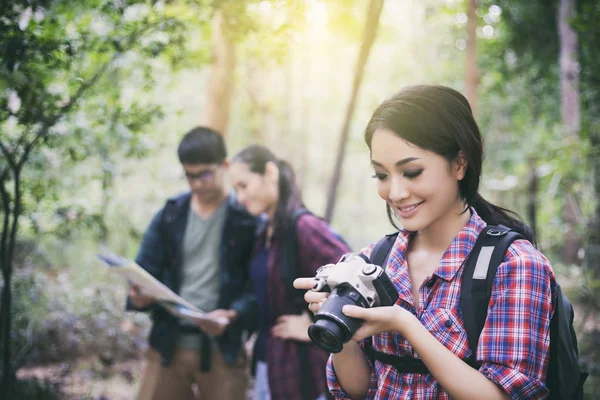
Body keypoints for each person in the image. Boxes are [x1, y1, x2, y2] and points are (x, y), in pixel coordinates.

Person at [295, 85, 557, 400]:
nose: (395, 192)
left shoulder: (515, 265)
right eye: (381, 175)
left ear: (460, 164)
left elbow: (504, 396)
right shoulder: (372, 261)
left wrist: (406, 325)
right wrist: (340, 328)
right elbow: (357, 390)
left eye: (412, 172)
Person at [128, 126, 258, 400]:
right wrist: (138, 296)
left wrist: (233, 315)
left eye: (205, 174)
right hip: (168, 345)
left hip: (224, 348)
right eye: (190, 175)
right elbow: (144, 268)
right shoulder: (171, 214)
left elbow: (260, 283)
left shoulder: (246, 219)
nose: (197, 183)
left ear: (225, 166)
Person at [228, 145, 351, 400]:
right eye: (235, 190)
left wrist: (314, 324)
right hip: (268, 362)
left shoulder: (304, 227)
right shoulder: (266, 232)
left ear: (270, 173)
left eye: (244, 185)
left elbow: (353, 275)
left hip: (303, 372)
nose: (239, 198)